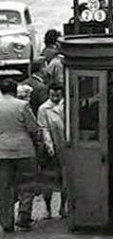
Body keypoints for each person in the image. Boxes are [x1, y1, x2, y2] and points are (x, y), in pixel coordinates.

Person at [0, 77, 40, 231]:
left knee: (5, 187)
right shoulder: (22, 105)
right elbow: (33, 128)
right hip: (24, 149)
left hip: (2, 151)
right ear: (15, 90)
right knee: (26, 183)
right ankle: (23, 217)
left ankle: (6, 221)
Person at [37, 83, 67, 219]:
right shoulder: (43, 109)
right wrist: (49, 145)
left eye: (57, 95)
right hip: (51, 148)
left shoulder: (67, 106)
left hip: (66, 146)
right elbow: (43, 128)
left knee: (65, 179)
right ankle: (48, 208)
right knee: (49, 179)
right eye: (52, 95)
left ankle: (63, 207)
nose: (55, 98)